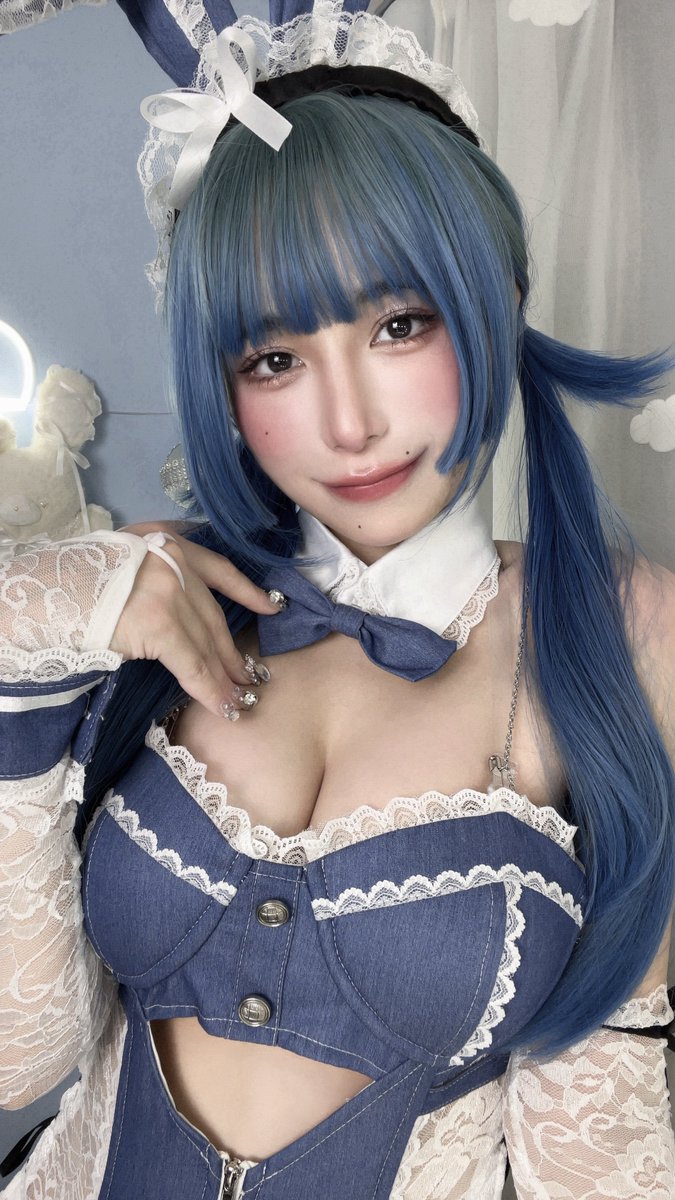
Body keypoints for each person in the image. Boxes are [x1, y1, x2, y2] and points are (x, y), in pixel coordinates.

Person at [1, 3, 674, 1197]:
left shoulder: (624, 634)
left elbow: (597, 1144)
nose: (349, 422)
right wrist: (34, 645)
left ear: (499, 300)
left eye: (399, 325)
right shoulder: (153, 607)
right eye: (274, 359)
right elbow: (22, 1058)